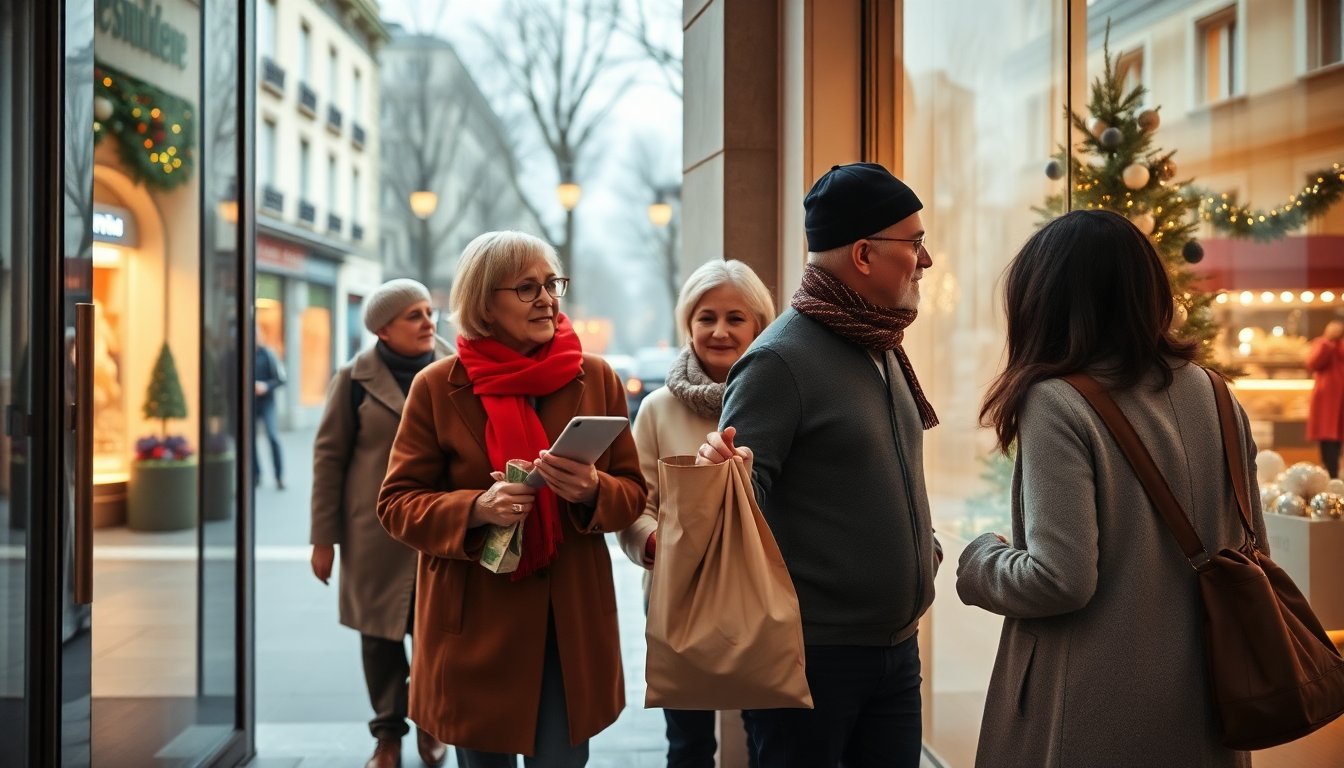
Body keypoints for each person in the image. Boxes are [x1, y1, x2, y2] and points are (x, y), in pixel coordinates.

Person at [957, 209, 1266, 768]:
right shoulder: (1217, 394)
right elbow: (1251, 549)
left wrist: (980, 561)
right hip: (1209, 706)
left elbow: (1060, 580)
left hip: (1092, 712)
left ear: (1044, 301)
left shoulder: (1057, 402)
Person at [697, 162, 942, 768]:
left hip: (895, 650)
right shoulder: (779, 361)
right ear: (863, 253)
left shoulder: (878, 342)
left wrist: (920, 550)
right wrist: (722, 472)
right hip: (811, 661)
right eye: (913, 243)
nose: (926, 259)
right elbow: (732, 512)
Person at [377, 230, 646, 768]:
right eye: (527, 287)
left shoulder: (595, 377)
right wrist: (476, 507)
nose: (547, 298)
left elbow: (634, 494)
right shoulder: (436, 386)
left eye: (552, 283)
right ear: (484, 302)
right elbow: (397, 504)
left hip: (568, 622)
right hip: (477, 621)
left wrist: (593, 490)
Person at [617, 258, 776, 768]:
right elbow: (633, 503)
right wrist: (652, 544)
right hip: (678, 597)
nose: (720, 330)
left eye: (736, 317)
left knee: (768, 734)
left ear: (760, 325)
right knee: (686, 744)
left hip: (762, 595)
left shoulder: (780, 400)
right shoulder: (658, 408)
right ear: (688, 323)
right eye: (706, 317)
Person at [310, 279, 452, 768]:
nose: (428, 322)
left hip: (441, 526)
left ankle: (432, 720)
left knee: (437, 632)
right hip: (374, 533)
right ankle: (387, 735)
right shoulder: (353, 380)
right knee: (380, 637)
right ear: (383, 329)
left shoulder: (456, 370)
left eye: (429, 312)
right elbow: (329, 459)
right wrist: (322, 539)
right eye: (414, 315)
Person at [1307, 318, 1344, 478]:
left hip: (1341, 401)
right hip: (1326, 402)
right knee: (1327, 440)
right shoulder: (1321, 344)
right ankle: (1330, 475)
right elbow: (1312, 363)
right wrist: (1327, 343)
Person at [254, 335, 286, 489]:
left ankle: (279, 477)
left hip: (267, 403)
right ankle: (256, 475)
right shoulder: (245, 355)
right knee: (249, 441)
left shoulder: (268, 354)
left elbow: (280, 379)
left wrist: (265, 386)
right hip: (250, 404)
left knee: (273, 437)